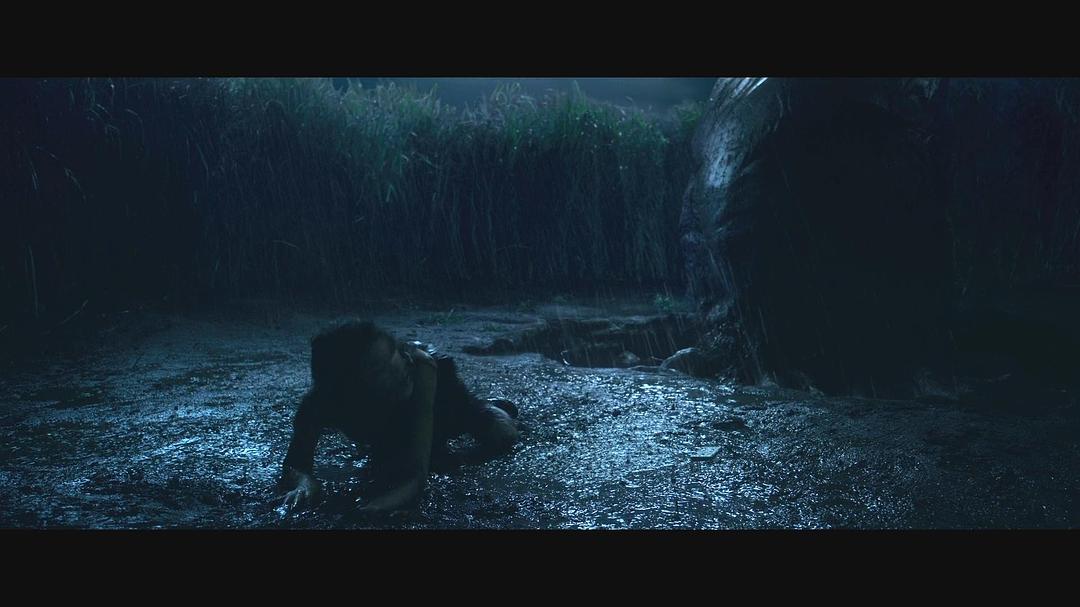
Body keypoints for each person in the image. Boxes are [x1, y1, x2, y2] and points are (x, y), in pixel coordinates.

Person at [277, 320, 519, 514]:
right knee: (388, 459)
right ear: (348, 387)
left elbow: (416, 475)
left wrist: (380, 505)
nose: (396, 368)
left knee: (502, 436)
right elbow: (295, 462)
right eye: (378, 369)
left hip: (440, 397)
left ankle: (495, 407)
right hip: (386, 418)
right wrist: (304, 483)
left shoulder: (419, 370)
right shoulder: (321, 402)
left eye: (394, 354)